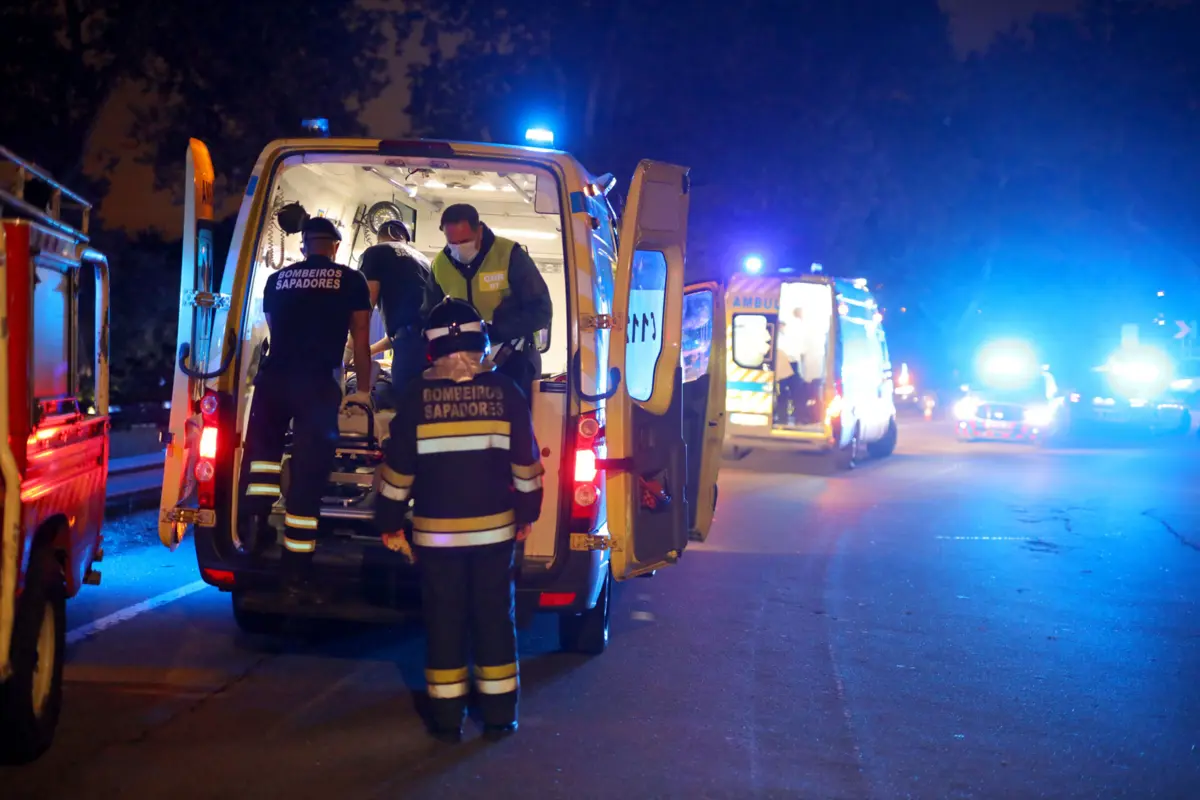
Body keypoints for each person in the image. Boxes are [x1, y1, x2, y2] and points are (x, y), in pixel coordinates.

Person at [375, 299, 544, 744]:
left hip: (437, 536)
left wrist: (389, 522)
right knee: (494, 618)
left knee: (444, 620)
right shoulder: (508, 391)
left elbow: (398, 473)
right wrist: (528, 515)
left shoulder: (415, 397)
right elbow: (526, 465)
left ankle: (447, 720)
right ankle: (499, 716)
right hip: (495, 535)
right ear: (481, 341)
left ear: (430, 350)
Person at [239, 216, 373, 603]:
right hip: (315, 385)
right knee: (308, 475)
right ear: (334, 246)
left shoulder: (276, 280)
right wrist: (362, 391)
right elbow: (360, 340)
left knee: (262, 459)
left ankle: (254, 531)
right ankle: (296, 572)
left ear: (303, 245)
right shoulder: (351, 280)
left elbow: (272, 327)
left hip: (273, 380)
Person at [430, 203, 552, 400]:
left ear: (479, 231)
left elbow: (541, 310)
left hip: (512, 359)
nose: (459, 247)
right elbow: (428, 313)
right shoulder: (440, 264)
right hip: (462, 368)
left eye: (465, 240)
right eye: (452, 242)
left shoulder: (508, 254)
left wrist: (495, 331)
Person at [346, 219, 444, 403]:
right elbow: (407, 328)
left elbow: (364, 308)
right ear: (405, 239)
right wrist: (371, 350)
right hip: (435, 342)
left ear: (379, 237)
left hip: (410, 344)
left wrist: (349, 352)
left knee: (405, 404)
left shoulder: (375, 252)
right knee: (427, 403)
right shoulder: (423, 259)